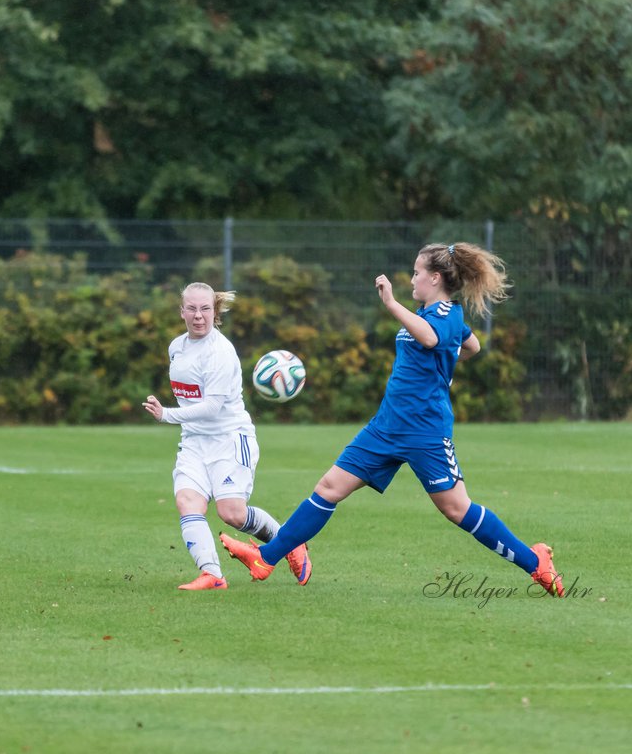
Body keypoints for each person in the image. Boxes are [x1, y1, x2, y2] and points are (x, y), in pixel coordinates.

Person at [220, 243, 564, 597]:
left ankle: (535, 564)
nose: (412, 279)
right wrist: (447, 358)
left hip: (424, 432)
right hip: (386, 427)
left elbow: (433, 339)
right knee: (329, 488)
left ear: (434, 278)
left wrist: (392, 305)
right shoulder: (428, 313)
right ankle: (265, 559)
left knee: (457, 509)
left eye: (416, 273)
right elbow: (471, 346)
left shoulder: (445, 314)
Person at [143, 282, 311, 591]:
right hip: (194, 441)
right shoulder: (176, 347)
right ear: (182, 312)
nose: (198, 316)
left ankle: (290, 543)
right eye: (191, 309)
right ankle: (212, 575)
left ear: (215, 311)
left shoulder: (220, 352)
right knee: (187, 501)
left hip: (230, 439)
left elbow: (211, 407)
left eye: (205, 308)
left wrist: (166, 415)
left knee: (231, 514)